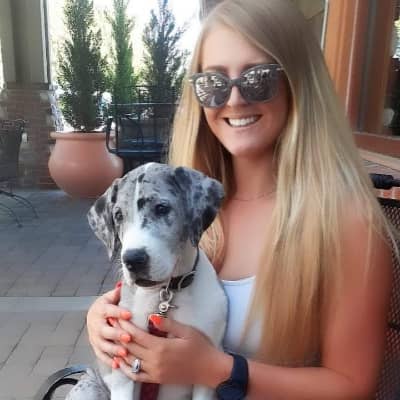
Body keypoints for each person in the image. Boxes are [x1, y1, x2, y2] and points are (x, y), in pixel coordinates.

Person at [72, 0, 394, 398]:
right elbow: (143, 308)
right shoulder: (188, 200)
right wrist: (103, 320)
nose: (235, 99)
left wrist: (217, 370)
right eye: (213, 83)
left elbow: (352, 387)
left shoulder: (348, 224)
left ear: (298, 84)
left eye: (259, 78)